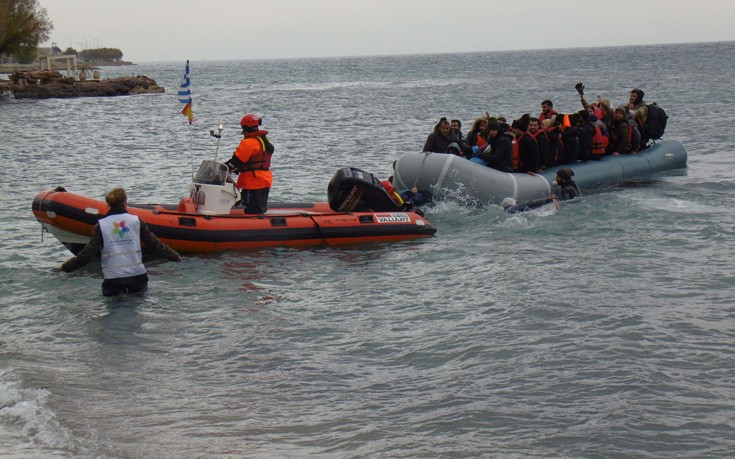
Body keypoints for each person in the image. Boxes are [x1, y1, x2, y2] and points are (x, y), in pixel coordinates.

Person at [60, 188, 181, 296]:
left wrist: (67, 267)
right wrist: (174, 256)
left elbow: (87, 254)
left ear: (109, 204)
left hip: (114, 279)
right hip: (137, 277)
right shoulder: (136, 221)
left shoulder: (101, 226)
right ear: (125, 202)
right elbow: (155, 245)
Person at [226, 114, 275, 214]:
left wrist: (223, 168)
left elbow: (236, 161)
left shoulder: (249, 142)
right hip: (265, 179)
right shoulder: (263, 140)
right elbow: (253, 160)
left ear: (245, 127)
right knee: (259, 209)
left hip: (253, 182)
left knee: (252, 210)